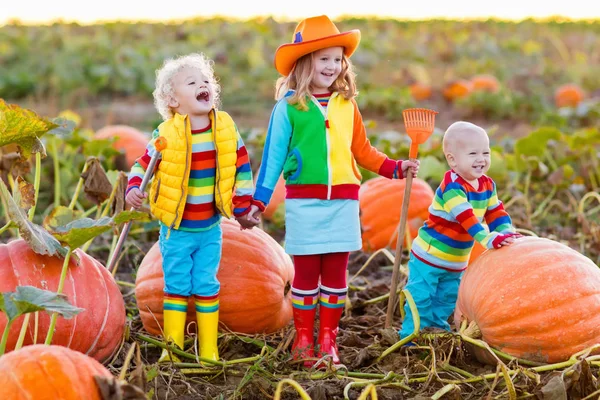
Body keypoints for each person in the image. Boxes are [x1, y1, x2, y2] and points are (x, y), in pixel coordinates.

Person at [245, 15, 419, 367]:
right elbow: (273, 158)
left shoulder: (346, 106)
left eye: (337, 59)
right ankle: (304, 341)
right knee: (307, 276)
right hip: (304, 204)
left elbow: (363, 151)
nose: (332, 65)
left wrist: (395, 169)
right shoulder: (289, 108)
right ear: (304, 63)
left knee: (337, 279)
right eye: (323, 58)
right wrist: (258, 201)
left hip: (342, 203)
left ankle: (329, 341)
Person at [125, 53, 259, 364]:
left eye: (207, 81)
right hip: (177, 230)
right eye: (192, 82)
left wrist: (242, 207)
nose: (203, 85)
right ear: (173, 99)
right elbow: (141, 164)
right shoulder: (165, 135)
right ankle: (173, 348)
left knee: (207, 284)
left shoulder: (225, 128)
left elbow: (241, 167)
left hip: (210, 229)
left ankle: (208, 349)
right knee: (177, 285)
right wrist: (134, 188)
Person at [399, 121, 521, 342]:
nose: (481, 159)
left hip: (456, 260)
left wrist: (505, 231)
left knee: (447, 297)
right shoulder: (451, 187)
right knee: (421, 296)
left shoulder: (487, 185)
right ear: (452, 160)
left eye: (486, 152)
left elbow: (495, 211)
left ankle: (436, 331)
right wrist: (487, 238)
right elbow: (466, 217)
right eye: (473, 153)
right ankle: (411, 334)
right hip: (429, 254)